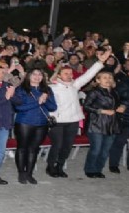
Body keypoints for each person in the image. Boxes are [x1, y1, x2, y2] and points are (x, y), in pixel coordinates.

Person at [46, 49, 109, 177]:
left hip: (73, 121)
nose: (69, 76)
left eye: (70, 73)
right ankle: (50, 166)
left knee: (67, 146)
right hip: (57, 121)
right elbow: (45, 104)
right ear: (59, 75)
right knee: (57, 145)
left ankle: (60, 166)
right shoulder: (52, 88)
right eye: (65, 73)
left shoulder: (75, 84)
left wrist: (100, 61)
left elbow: (89, 75)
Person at [10, 68, 57, 184]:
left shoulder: (47, 89)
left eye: (40, 74)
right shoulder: (21, 89)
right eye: (34, 74)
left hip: (42, 123)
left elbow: (53, 107)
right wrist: (38, 102)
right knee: (22, 148)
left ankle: (29, 173)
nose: (37, 76)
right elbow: (19, 108)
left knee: (34, 149)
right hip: (24, 122)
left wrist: (45, 100)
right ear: (29, 76)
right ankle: (21, 173)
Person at [83, 71, 125, 178]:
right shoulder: (94, 92)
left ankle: (98, 169)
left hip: (112, 124)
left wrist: (122, 107)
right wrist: (102, 111)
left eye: (110, 78)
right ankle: (90, 169)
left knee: (105, 150)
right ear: (98, 80)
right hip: (97, 124)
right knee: (96, 149)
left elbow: (118, 104)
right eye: (105, 78)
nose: (108, 80)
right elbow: (86, 106)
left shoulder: (114, 92)